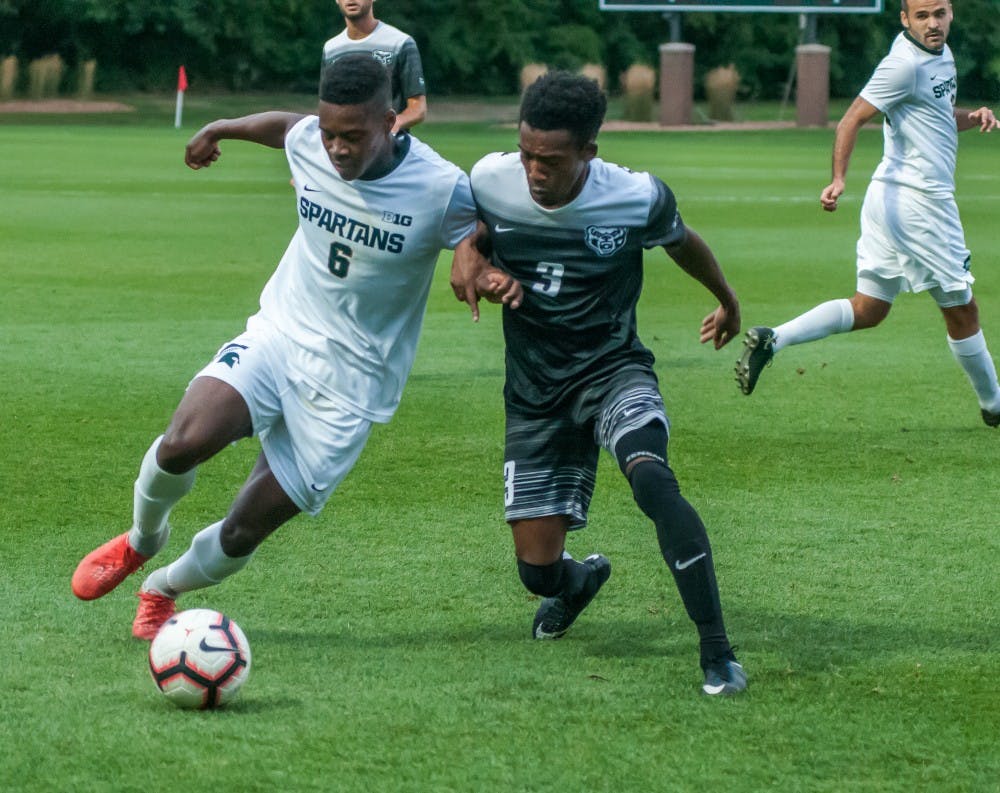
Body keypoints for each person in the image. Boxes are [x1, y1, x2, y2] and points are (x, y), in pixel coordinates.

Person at [71, 53, 519, 639]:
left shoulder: (440, 188)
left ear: (390, 121)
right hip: (280, 335)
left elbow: (486, 227)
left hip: (351, 386)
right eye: (329, 132)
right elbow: (287, 126)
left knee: (241, 531)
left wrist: (473, 249)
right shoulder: (311, 138)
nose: (335, 148)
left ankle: (163, 589)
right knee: (184, 441)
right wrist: (221, 127)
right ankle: (141, 541)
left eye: (352, 136)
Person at [451, 71, 747, 695]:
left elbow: (682, 242)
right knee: (536, 572)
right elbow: (466, 238)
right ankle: (579, 581)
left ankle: (717, 652)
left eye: (550, 160)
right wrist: (475, 266)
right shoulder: (488, 180)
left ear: (589, 150)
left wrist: (727, 299)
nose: (534, 170)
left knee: (653, 480)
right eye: (527, 153)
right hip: (534, 393)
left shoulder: (635, 197)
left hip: (613, 370)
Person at [736, 0, 1000, 428]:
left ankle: (774, 339)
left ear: (951, 13)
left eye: (941, 13)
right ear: (904, 19)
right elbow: (851, 119)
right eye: (922, 15)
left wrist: (973, 116)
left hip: (888, 201)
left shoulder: (941, 56)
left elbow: (935, 116)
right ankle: (995, 406)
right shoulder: (903, 64)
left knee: (869, 308)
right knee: (962, 309)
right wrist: (838, 179)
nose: (933, 23)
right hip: (920, 206)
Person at [322, 0, 426, 134]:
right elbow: (327, 106)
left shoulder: (401, 43)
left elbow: (418, 109)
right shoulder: (331, 49)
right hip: (347, 148)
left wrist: (394, 123)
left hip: (390, 149)